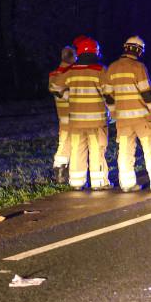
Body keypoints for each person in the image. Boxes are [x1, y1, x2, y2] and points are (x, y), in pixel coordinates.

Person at [105, 36, 151, 193]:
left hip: (122, 120)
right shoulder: (138, 67)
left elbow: (108, 95)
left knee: (124, 151)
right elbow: (147, 93)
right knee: (150, 150)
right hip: (142, 119)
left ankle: (127, 183)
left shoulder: (112, 68)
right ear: (138, 50)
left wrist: (114, 113)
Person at [56, 35, 111, 190]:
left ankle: (76, 182)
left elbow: (57, 88)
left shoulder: (71, 70)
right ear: (96, 52)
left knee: (77, 150)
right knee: (97, 150)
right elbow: (109, 93)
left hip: (76, 122)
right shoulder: (100, 70)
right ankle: (99, 182)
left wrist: (70, 98)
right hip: (96, 121)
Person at [47, 45, 76, 183]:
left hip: (62, 116)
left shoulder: (53, 74)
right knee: (76, 145)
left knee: (64, 142)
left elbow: (55, 89)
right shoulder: (73, 73)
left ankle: (60, 172)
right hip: (76, 114)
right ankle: (67, 173)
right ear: (73, 57)